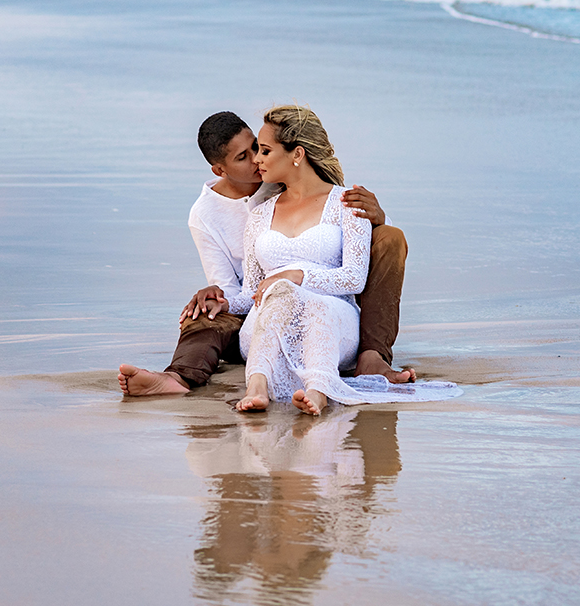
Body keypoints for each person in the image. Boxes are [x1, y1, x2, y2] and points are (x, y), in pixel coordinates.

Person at [118, 110, 413, 397]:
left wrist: (373, 216)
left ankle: (372, 355)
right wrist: (218, 298)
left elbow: (321, 192)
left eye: (258, 148)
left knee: (390, 238)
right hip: (257, 306)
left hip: (327, 296)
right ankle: (176, 377)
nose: (256, 160)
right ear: (220, 170)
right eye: (243, 157)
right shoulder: (205, 216)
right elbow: (238, 292)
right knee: (203, 313)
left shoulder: (281, 179)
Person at [231, 105, 460, 414]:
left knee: (315, 305)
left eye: (265, 150)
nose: (257, 159)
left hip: (332, 319)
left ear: (296, 154)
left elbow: (354, 277)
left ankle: (319, 390)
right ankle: (257, 386)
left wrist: (296, 276)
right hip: (270, 324)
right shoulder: (258, 215)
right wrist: (224, 303)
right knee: (279, 296)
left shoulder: (347, 203)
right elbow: (252, 292)